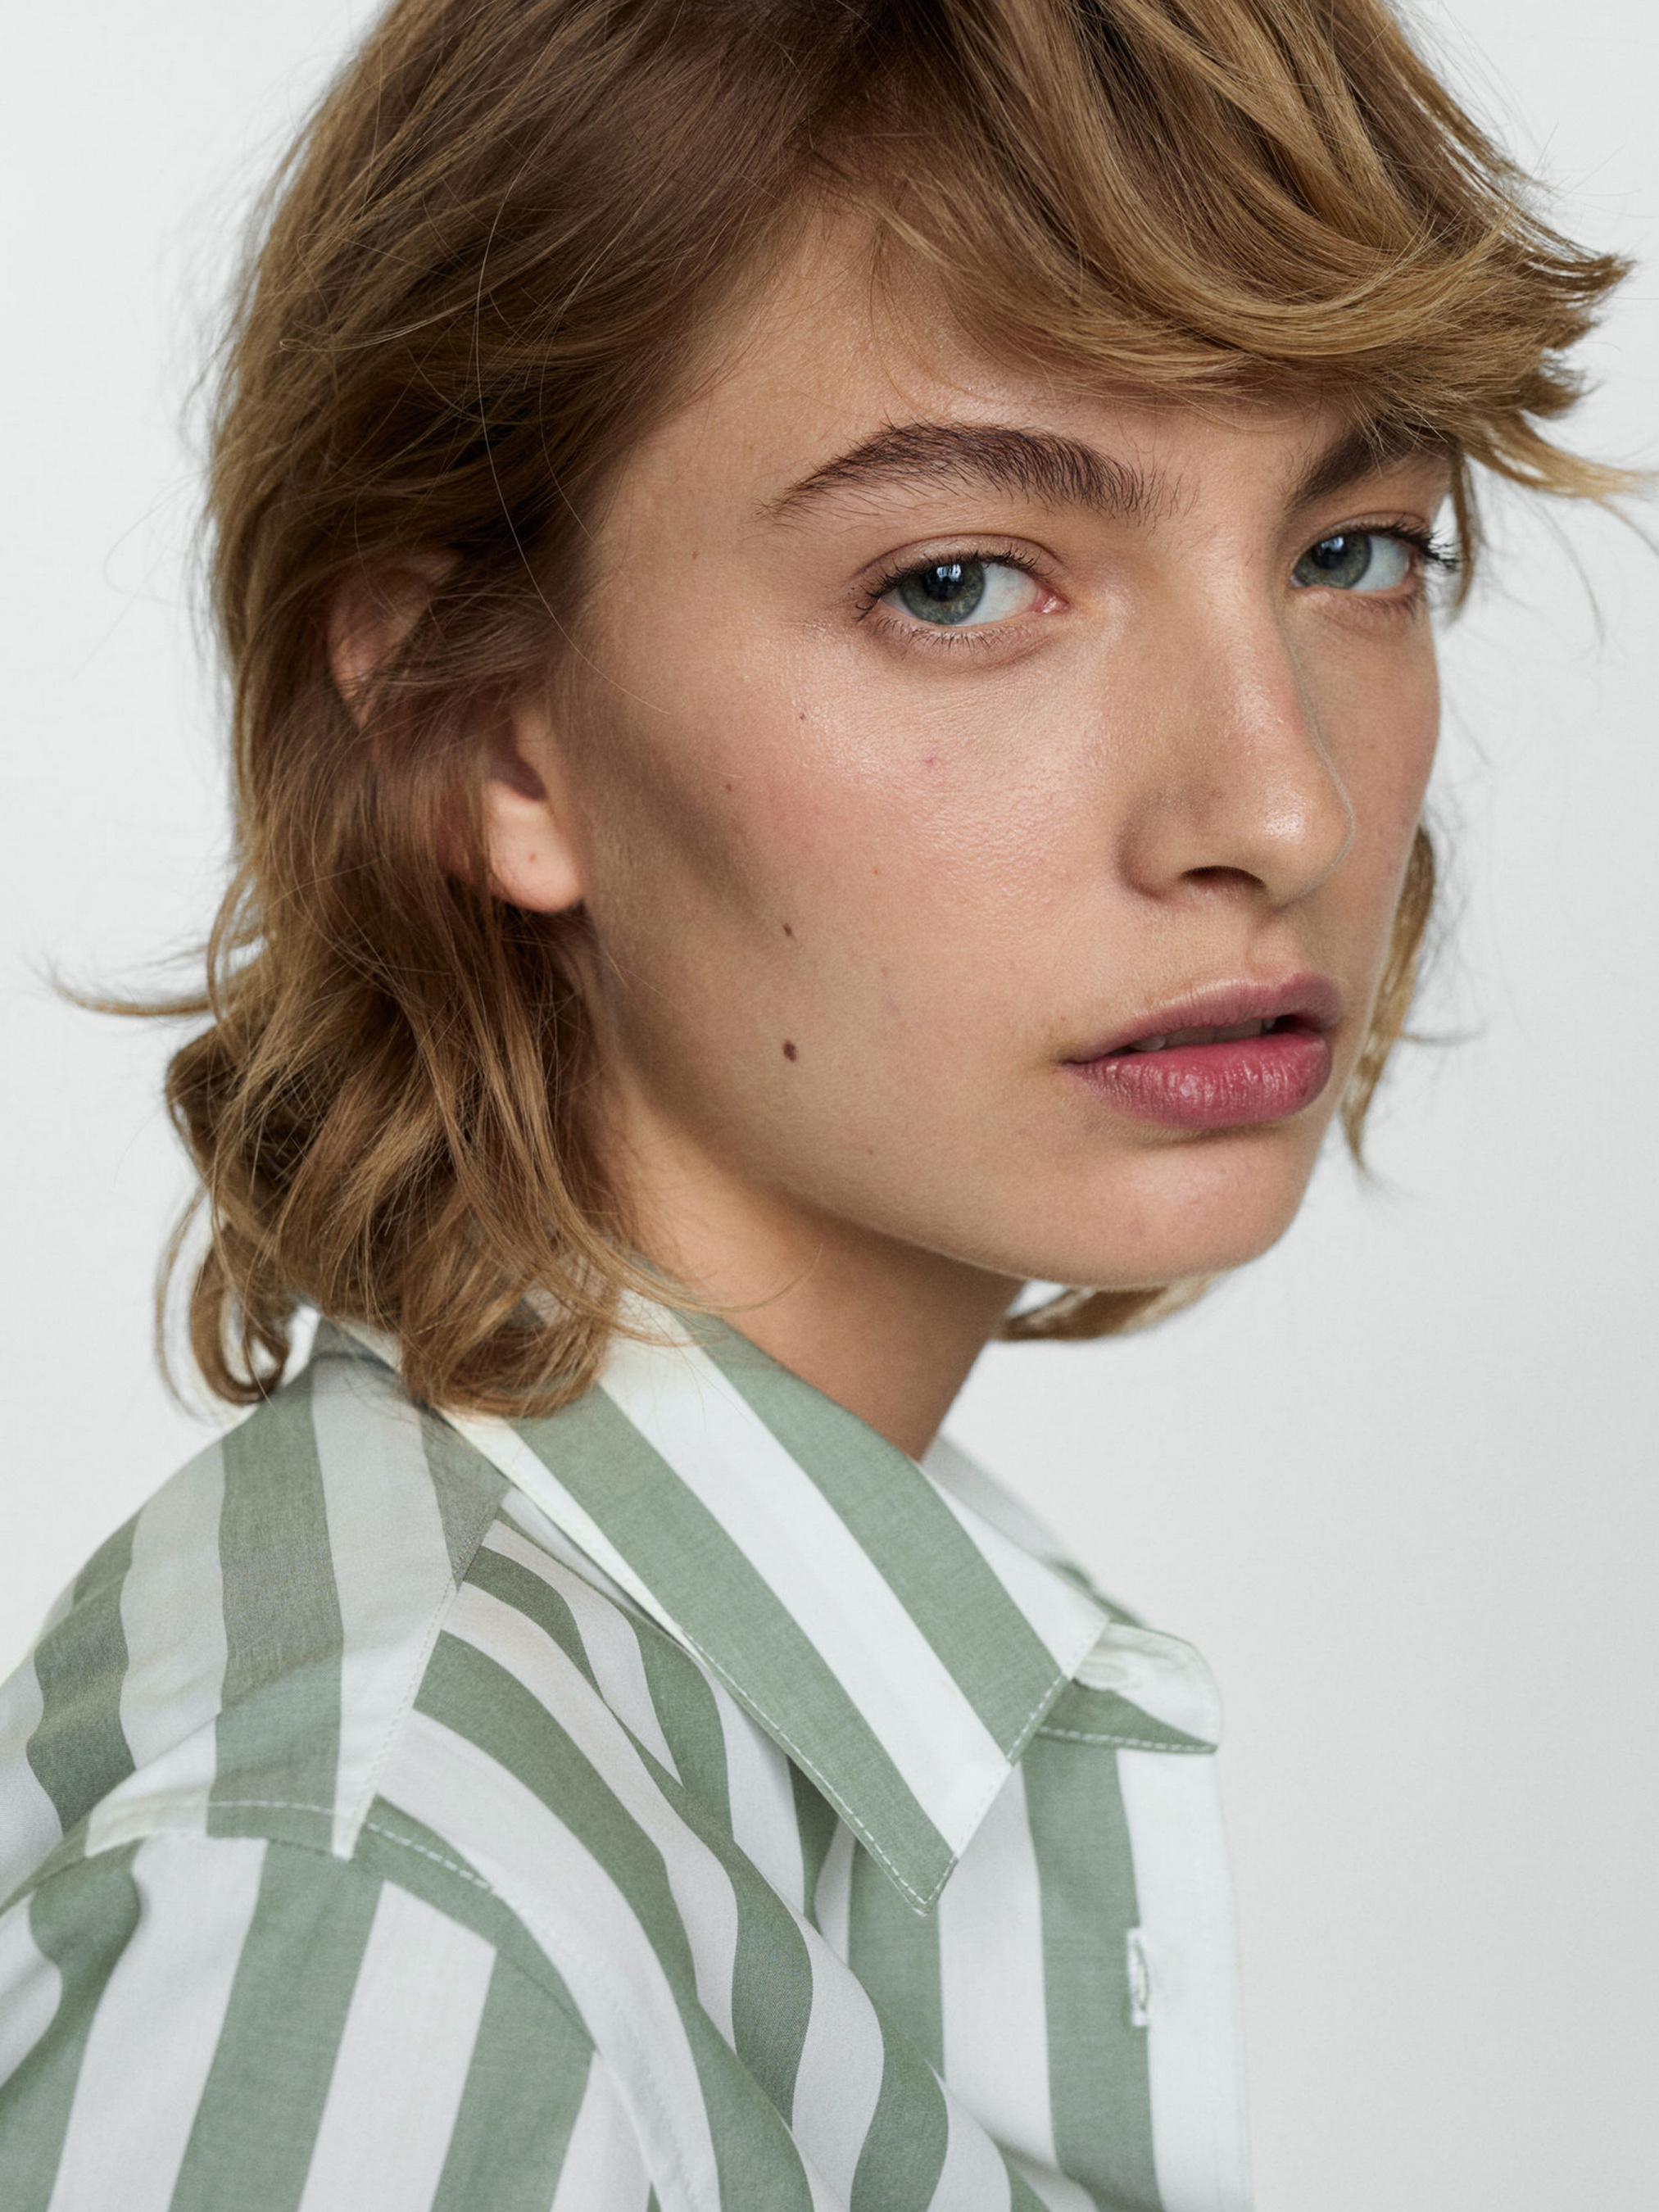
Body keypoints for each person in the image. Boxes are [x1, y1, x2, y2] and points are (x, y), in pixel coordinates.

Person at [0, 1, 1630, 2205]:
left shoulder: (674, 1748)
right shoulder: (388, 1912)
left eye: (1353, 551)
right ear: (484, 732)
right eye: (958, 583)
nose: (1279, 802)